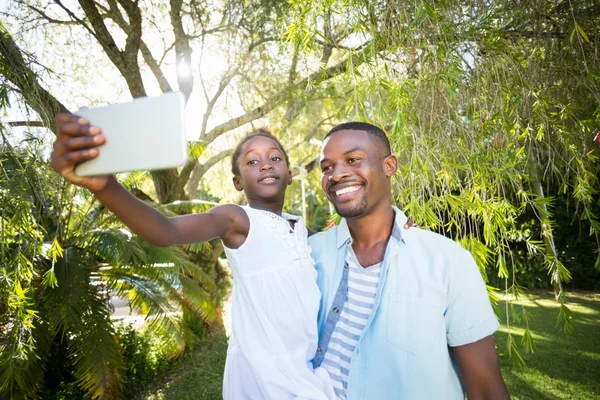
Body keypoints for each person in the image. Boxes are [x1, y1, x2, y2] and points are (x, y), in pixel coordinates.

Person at [50, 115, 347, 399]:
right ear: (237, 182)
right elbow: (165, 230)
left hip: (306, 366)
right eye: (252, 161)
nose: (266, 165)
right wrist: (105, 185)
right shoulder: (236, 219)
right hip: (264, 376)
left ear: (290, 174)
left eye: (275, 158)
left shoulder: (301, 229)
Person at [308, 122, 510, 400]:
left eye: (352, 160)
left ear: (389, 166)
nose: (336, 174)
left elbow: (486, 390)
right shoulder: (309, 254)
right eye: (327, 167)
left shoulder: (447, 261)